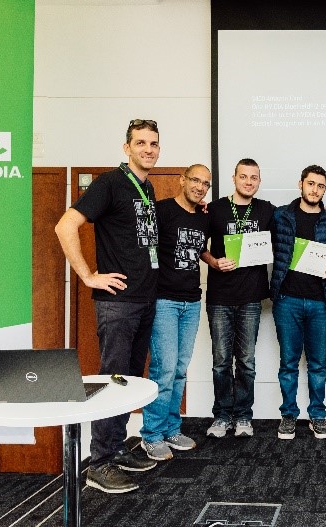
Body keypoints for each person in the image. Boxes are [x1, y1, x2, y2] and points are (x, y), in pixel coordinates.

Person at [54, 119, 161, 493]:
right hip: (119, 303)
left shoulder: (146, 187)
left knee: (128, 380)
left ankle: (115, 450)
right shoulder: (109, 183)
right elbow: (66, 226)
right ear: (126, 147)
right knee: (114, 377)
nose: (148, 149)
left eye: (154, 144)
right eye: (141, 143)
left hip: (143, 299)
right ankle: (98, 463)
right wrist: (87, 276)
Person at [139, 164, 211, 461]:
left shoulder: (204, 218)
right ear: (182, 180)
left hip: (192, 301)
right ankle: (151, 435)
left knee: (180, 370)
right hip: (164, 302)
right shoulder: (162, 210)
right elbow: (143, 247)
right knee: (163, 370)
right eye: (195, 180)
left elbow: (198, 250)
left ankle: (171, 428)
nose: (200, 186)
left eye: (206, 183)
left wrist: (214, 262)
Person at [200, 159, 275, 439]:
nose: (248, 182)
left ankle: (243, 415)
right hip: (219, 297)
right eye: (243, 176)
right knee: (221, 360)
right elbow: (198, 247)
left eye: (254, 177)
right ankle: (221, 416)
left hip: (251, 298)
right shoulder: (215, 209)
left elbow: (294, 221)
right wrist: (214, 262)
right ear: (234, 178)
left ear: (259, 181)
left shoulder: (266, 210)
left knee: (246, 361)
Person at [270, 164, 326, 440]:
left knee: (317, 363)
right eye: (311, 184)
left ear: (325, 189)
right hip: (287, 299)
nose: (315, 190)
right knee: (288, 362)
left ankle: (318, 415)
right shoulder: (281, 216)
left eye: (321, 186)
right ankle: (288, 415)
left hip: (321, 302)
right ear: (301, 184)